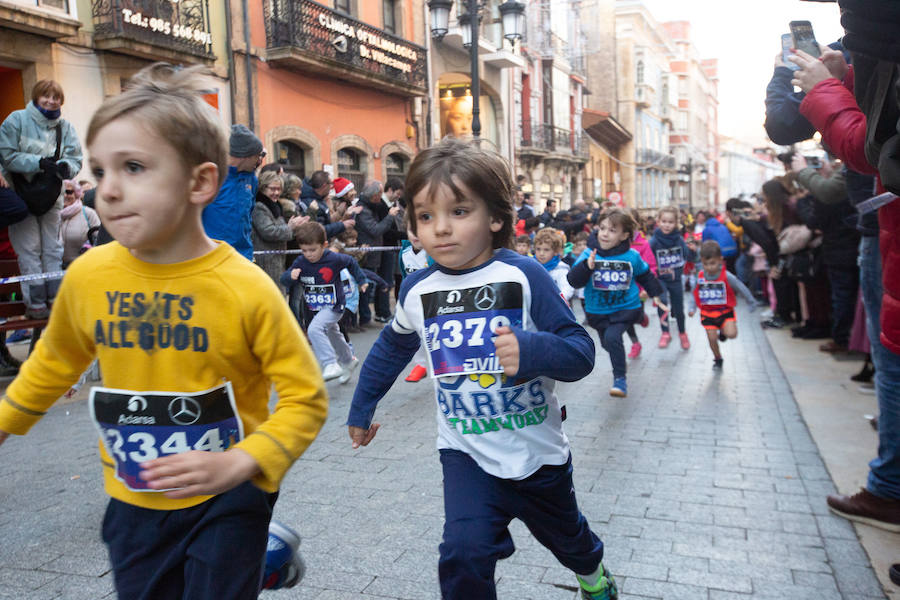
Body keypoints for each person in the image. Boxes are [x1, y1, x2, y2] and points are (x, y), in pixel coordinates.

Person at [0, 62, 329, 599]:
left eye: (133, 167)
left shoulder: (245, 288)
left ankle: (255, 552)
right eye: (100, 171)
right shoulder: (89, 276)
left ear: (200, 181)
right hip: (135, 496)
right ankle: (264, 559)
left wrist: (244, 460)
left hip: (230, 494)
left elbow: (305, 398)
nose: (106, 190)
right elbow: (53, 363)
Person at [346, 138, 616, 600]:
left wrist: (530, 351)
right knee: (463, 555)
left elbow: (580, 352)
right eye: (426, 216)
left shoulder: (524, 275)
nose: (441, 229)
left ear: (495, 218)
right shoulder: (415, 289)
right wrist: (361, 407)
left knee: (571, 542)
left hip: (538, 454)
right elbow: (391, 350)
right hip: (465, 452)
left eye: (460, 212)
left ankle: (593, 575)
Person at [0, 79, 83, 319]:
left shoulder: (65, 127)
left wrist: (66, 168)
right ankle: (35, 303)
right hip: (20, 194)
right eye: (46, 96)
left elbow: (75, 156)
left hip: (51, 196)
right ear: (36, 97)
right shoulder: (16, 120)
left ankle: (55, 300)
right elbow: (6, 156)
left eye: (56, 97)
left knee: (53, 249)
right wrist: (37, 163)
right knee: (29, 249)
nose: (51, 100)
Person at [567, 208, 667, 397]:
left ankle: (620, 380)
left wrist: (656, 295)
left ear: (624, 235)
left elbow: (645, 275)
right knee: (608, 343)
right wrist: (586, 267)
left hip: (625, 308)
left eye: (612, 230)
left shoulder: (631, 256)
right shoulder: (589, 253)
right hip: (597, 311)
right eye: (602, 228)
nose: (605, 233)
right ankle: (632, 331)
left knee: (613, 339)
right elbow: (574, 281)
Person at [281, 221, 368, 383]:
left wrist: (361, 279)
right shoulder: (300, 262)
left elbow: (351, 262)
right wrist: (290, 276)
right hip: (315, 308)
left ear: (324, 245)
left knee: (314, 329)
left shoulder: (333, 258)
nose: (309, 254)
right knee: (332, 332)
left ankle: (330, 363)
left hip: (334, 305)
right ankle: (348, 360)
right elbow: (284, 279)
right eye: (304, 250)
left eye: (313, 250)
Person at [688, 241, 758, 369]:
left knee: (732, 334)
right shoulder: (700, 276)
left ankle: (723, 331)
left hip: (725, 311)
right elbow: (694, 292)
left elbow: (740, 287)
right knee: (712, 337)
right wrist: (691, 308)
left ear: (720, 260)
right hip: (707, 313)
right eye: (705, 264)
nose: (709, 267)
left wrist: (750, 301)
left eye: (713, 263)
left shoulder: (726, 275)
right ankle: (718, 358)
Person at [201, 124, 266, 260]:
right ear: (245, 155)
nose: (260, 161)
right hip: (214, 256)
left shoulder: (252, 180)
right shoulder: (212, 176)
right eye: (258, 156)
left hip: (243, 256)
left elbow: (248, 216)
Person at [251, 170, 307, 287]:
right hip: (266, 261)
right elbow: (268, 232)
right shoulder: (260, 206)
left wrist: (296, 227)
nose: (276, 192)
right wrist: (290, 227)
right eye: (273, 189)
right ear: (263, 188)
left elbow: (283, 231)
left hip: (277, 259)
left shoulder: (275, 206)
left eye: (279, 189)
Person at [355, 180, 399, 324]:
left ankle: (368, 316)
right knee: (365, 288)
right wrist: (390, 216)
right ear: (374, 195)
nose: (381, 197)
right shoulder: (363, 210)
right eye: (379, 194)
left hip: (373, 253)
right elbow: (375, 230)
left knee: (372, 286)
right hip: (367, 255)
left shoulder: (372, 206)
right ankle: (364, 317)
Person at [397, 229, 429, 383]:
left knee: (429, 332)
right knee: (414, 331)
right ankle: (421, 364)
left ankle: (432, 364)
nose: (416, 235)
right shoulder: (405, 252)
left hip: (431, 299)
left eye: (419, 230)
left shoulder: (433, 253)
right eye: (411, 230)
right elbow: (405, 275)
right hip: (412, 300)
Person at [59, 179, 100, 267]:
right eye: (62, 192)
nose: (65, 195)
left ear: (76, 193)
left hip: (84, 267)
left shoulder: (88, 213)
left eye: (69, 192)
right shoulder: (53, 215)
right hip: (57, 267)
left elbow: (100, 239)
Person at [533, 227, 574, 303]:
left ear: (555, 251)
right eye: (538, 249)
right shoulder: (531, 266)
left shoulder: (561, 269)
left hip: (554, 305)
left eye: (546, 250)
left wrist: (558, 300)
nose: (541, 253)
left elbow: (567, 288)